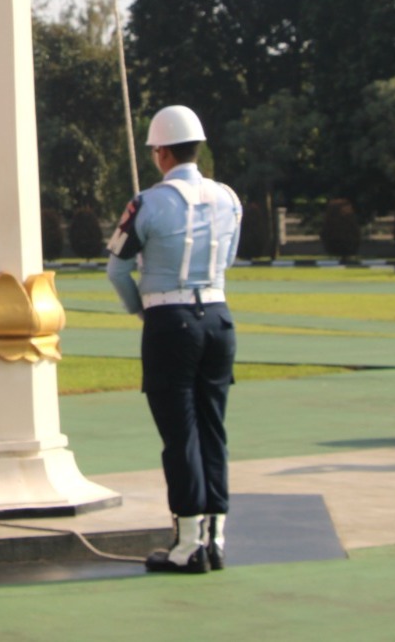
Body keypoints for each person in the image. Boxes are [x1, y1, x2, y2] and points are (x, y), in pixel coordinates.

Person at [106, 105, 242, 574]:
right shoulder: (229, 197)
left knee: (179, 432)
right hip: (219, 318)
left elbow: (117, 267)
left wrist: (141, 308)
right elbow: (228, 257)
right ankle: (217, 536)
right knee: (213, 428)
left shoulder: (148, 202)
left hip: (170, 320)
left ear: (161, 151)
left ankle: (187, 544)